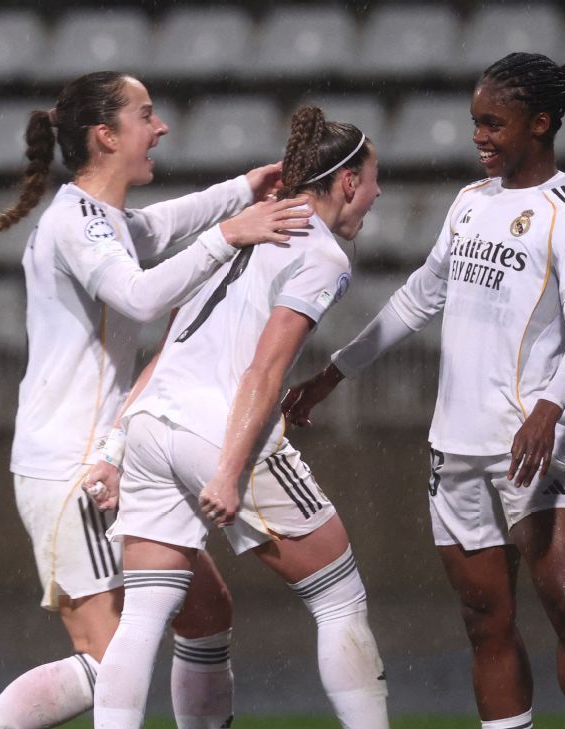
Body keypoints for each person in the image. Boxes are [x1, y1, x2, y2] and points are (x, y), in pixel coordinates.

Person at [0, 70, 312, 729]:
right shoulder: (77, 224)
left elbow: (159, 225)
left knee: (205, 612)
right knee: (108, 661)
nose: (161, 126)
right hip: (74, 469)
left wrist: (241, 192)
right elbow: (140, 294)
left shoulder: (99, 219)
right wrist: (233, 231)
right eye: (146, 115)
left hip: (112, 462)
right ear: (106, 135)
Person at [282, 53, 565, 729]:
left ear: (541, 123)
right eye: (475, 123)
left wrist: (549, 409)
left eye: (493, 123)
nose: (479, 137)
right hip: (455, 451)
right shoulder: (470, 202)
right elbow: (419, 298)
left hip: (530, 444)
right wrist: (333, 372)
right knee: (484, 622)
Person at [82, 105, 389, 729]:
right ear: (349, 181)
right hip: (219, 432)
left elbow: (171, 349)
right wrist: (225, 472)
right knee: (338, 598)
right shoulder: (323, 254)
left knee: (144, 618)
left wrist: (113, 450)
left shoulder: (239, 227)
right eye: (375, 180)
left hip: (150, 428)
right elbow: (264, 372)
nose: (377, 194)